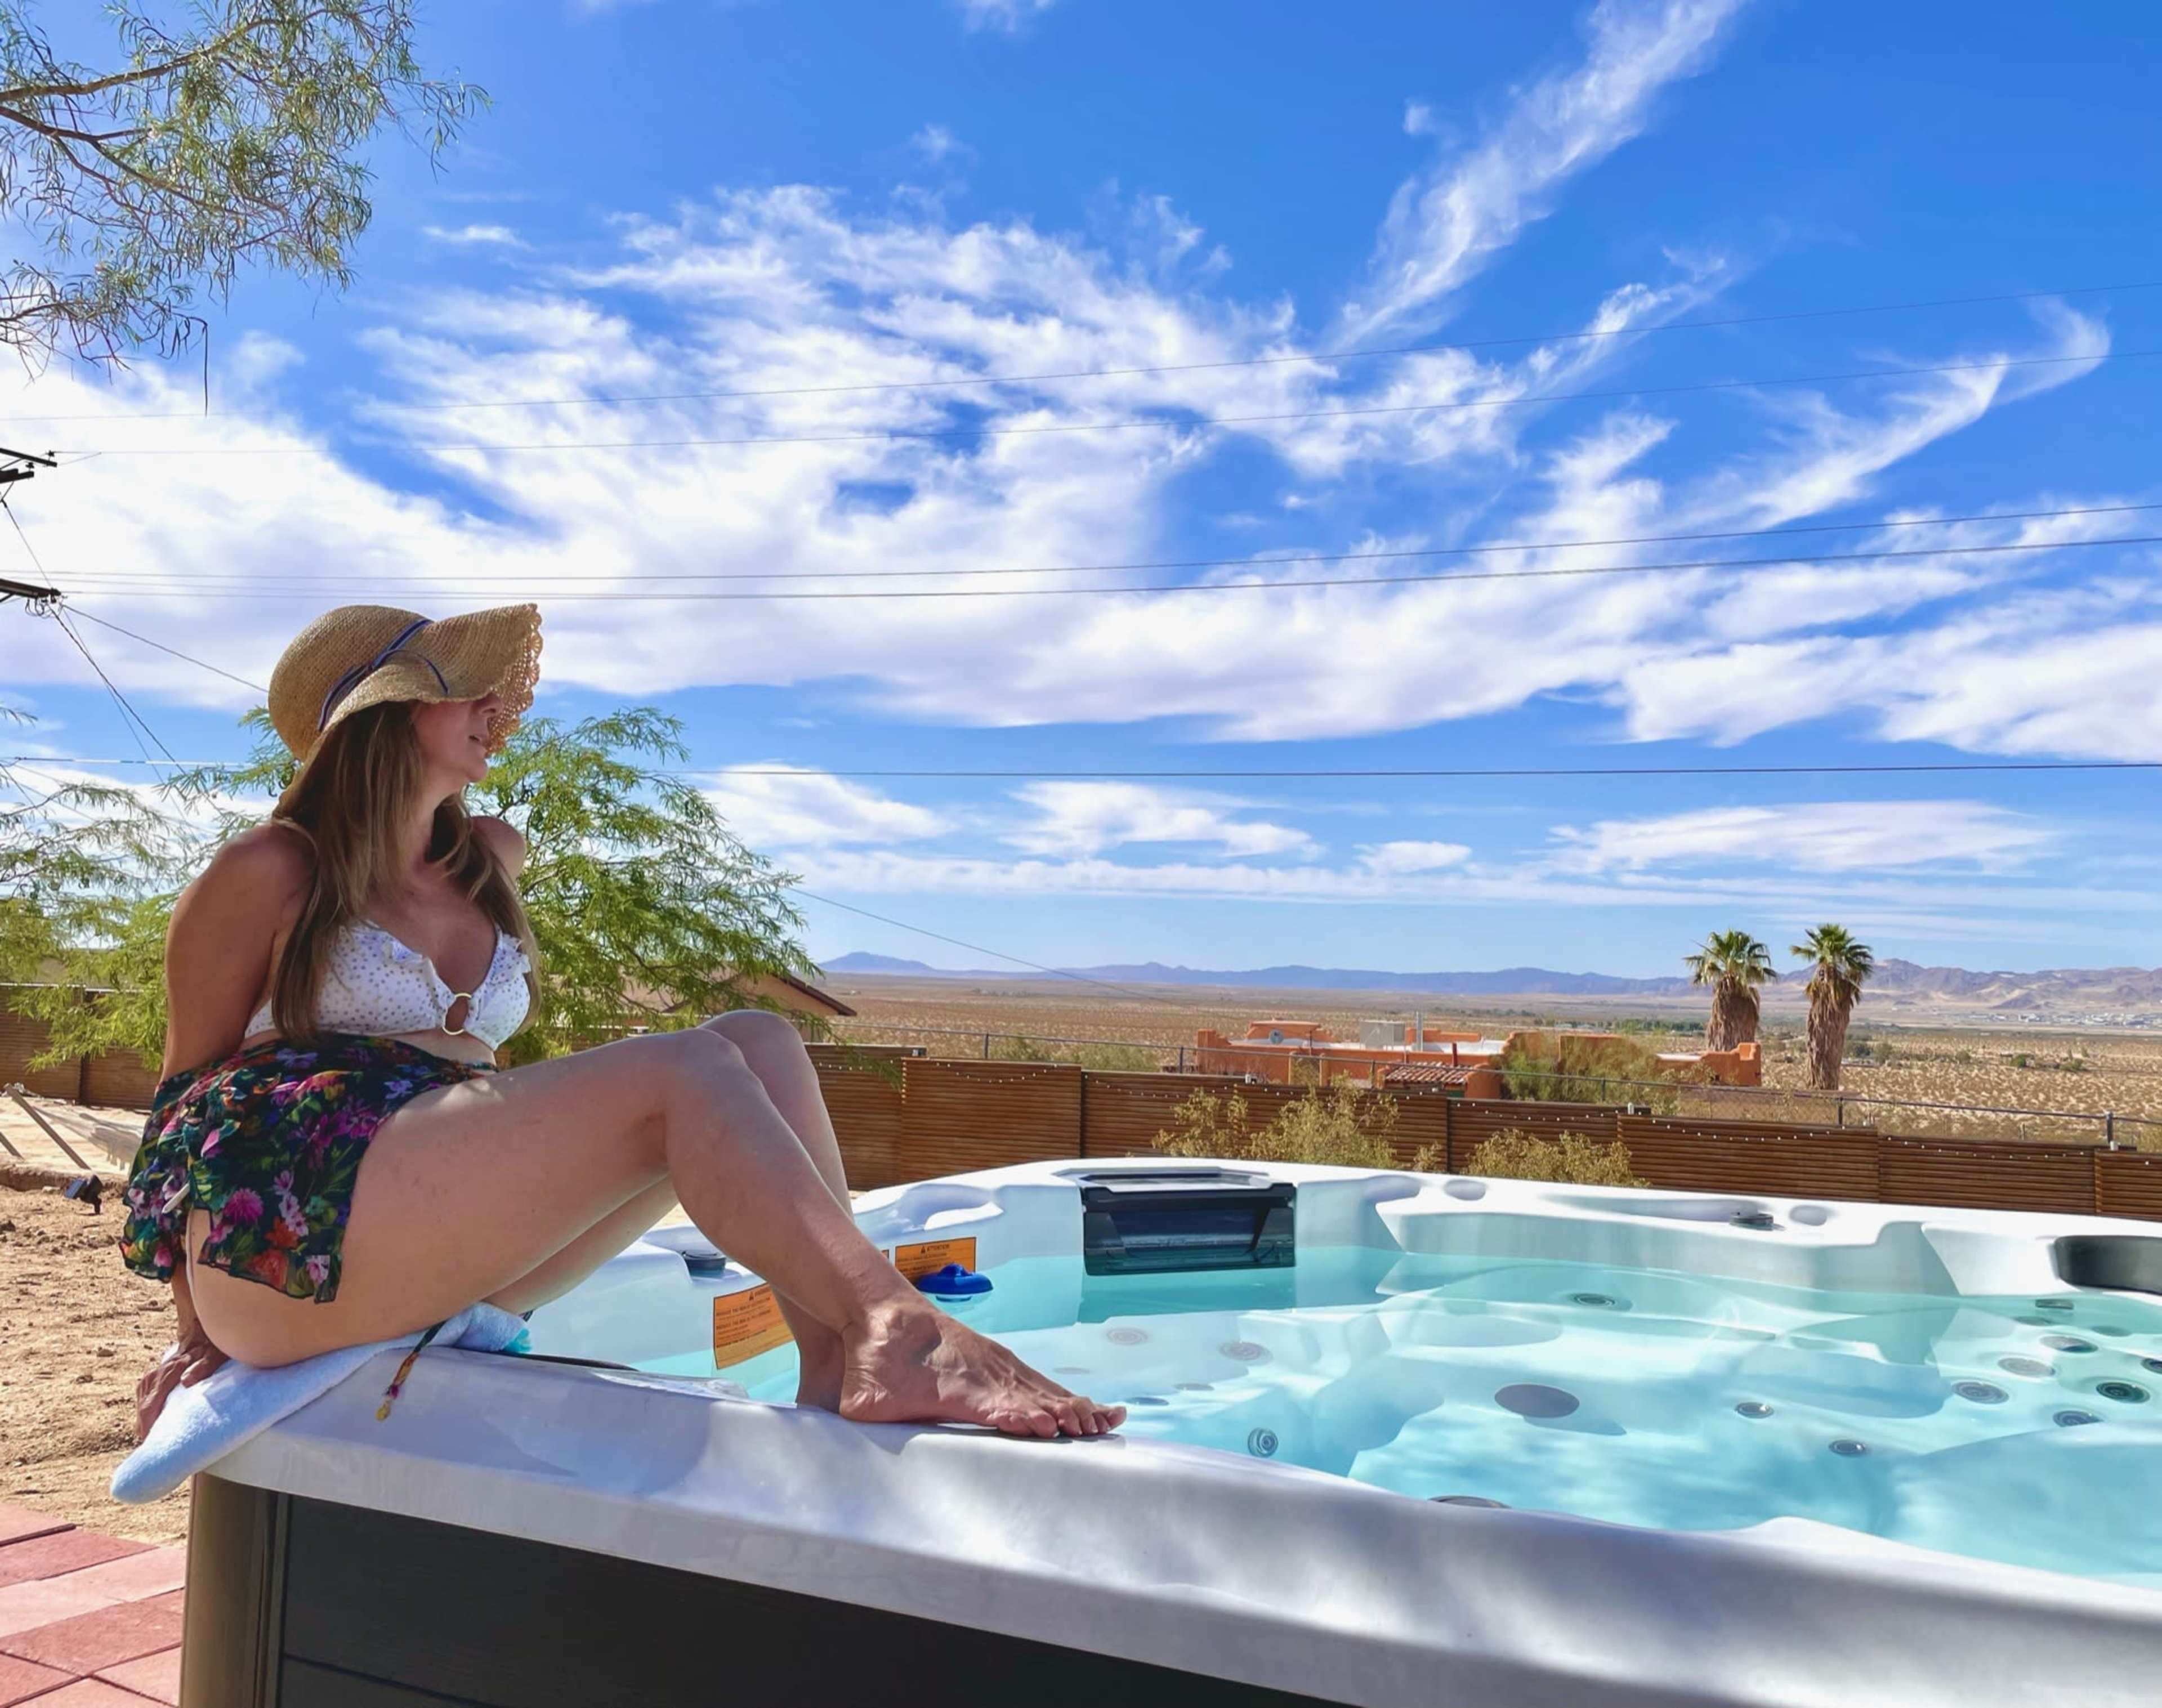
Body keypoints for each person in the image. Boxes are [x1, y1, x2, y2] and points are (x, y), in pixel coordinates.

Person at [123, 603, 1123, 1443]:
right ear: (388, 713)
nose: (495, 711)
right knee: (681, 1070)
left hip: (421, 1208)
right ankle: (898, 1328)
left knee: (759, 1041)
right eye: (468, 691)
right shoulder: (269, 868)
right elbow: (185, 1101)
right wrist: (193, 1326)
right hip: (282, 1237)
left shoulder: (489, 858)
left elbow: (483, 1099)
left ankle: (837, 1367)